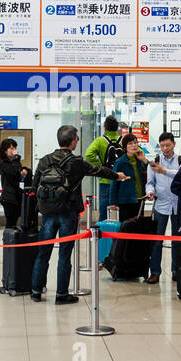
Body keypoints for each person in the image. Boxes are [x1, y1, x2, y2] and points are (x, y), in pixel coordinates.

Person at [31, 125, 126, 304]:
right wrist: (117, 176)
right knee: (65, 254)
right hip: (68, 213)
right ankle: (61, 294)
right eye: (77, 138)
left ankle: (36, 290)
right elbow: (99, 171)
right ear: (73, 141)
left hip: (48, 213)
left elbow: (35, 186)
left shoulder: (44, 160)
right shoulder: (76, 162)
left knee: (43, 252)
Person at [144, 132, 181, 284]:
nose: (165, 148)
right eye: (162, 146)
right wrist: (150, 192)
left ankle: (176, 270)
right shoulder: (154, 162)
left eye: (168, 145)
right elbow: (150, 182)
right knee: (157, 240)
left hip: (178, 205)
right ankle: (155, 272)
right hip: (161, 205)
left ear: (174, 144)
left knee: (177, 241)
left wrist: (164, 171)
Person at [83, 115, 123, 220]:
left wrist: (101, 167)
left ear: (104, 128)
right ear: (117, 128)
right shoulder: (124, 140)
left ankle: (103, 234)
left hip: (106, 180)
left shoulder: (100, 141)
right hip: (122, 180)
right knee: (123, 212)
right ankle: (121, 234)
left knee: (104, 212)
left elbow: (88, 155)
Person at [110, 134, 149, 221]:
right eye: (130, 143)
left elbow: (151, 173)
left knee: (138, 229)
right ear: (125, 147)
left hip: (140, 199)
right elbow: (114, 182)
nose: (134, 145)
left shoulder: (140, 160)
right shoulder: (120, 162)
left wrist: (144, 160)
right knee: (126, 228)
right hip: (125, 200)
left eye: (135, 143)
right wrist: (113, 202)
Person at [0, 137, 30, 229]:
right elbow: (13, 172)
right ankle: (8, 242)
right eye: (11, 148)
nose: (14, 151)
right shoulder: (3, 163)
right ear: (5, 151)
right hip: (8, 198)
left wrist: (24, 171)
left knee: (15, 222)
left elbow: (18, 176)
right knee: (10, 223)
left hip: (16, 196)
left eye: (15, 148)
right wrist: (16, 158)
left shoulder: (13, 162)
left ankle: (13, 241)